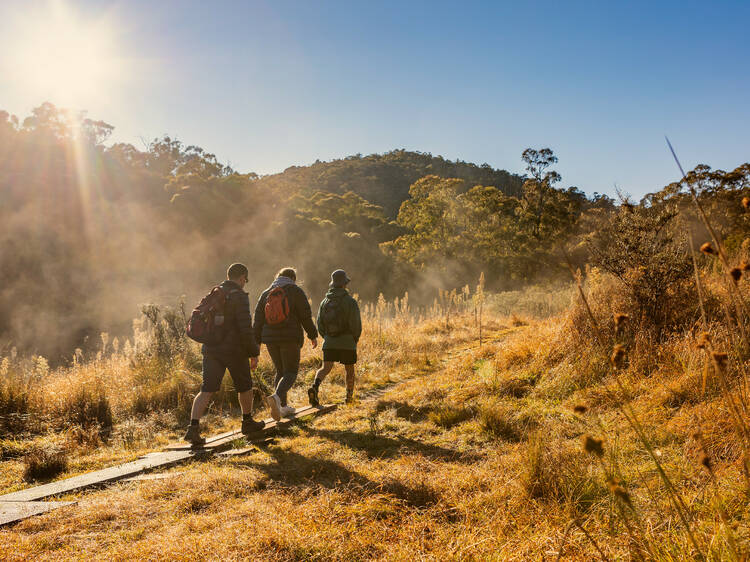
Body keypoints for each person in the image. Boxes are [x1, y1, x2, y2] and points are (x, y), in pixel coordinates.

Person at [184, 263, 264, 445]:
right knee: (245, 386)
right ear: (242, 277)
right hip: (234, 350)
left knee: (207, 389)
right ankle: (247, 422)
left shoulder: (215, 293)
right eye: (245, 279)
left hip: (211, 349)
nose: (245, 282)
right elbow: (245, 328)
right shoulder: (239, 297)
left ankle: (193, 428)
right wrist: (254, 352)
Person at [253, 267, 318, 420]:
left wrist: (256, 343)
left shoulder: (265, 293)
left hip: (270, 339)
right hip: (290, 337)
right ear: (293, 278)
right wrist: (313, 335)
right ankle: (277, 398)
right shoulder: (295, 291)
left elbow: (257, 322)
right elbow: (305, 316)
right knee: (291, 372)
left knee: (280, 371)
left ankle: (282, 407)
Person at [308, 269, 362, 406]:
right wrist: (353, 339)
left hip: (329, 342)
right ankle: (349, 398)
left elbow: (319, 323)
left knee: (325, 368)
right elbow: (356, 324)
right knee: (349, 370)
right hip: (347, 342)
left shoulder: (324, 302)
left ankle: (315, 387)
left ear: (333, 284)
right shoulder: (350, 302)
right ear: (345, 284)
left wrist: (327, 337)